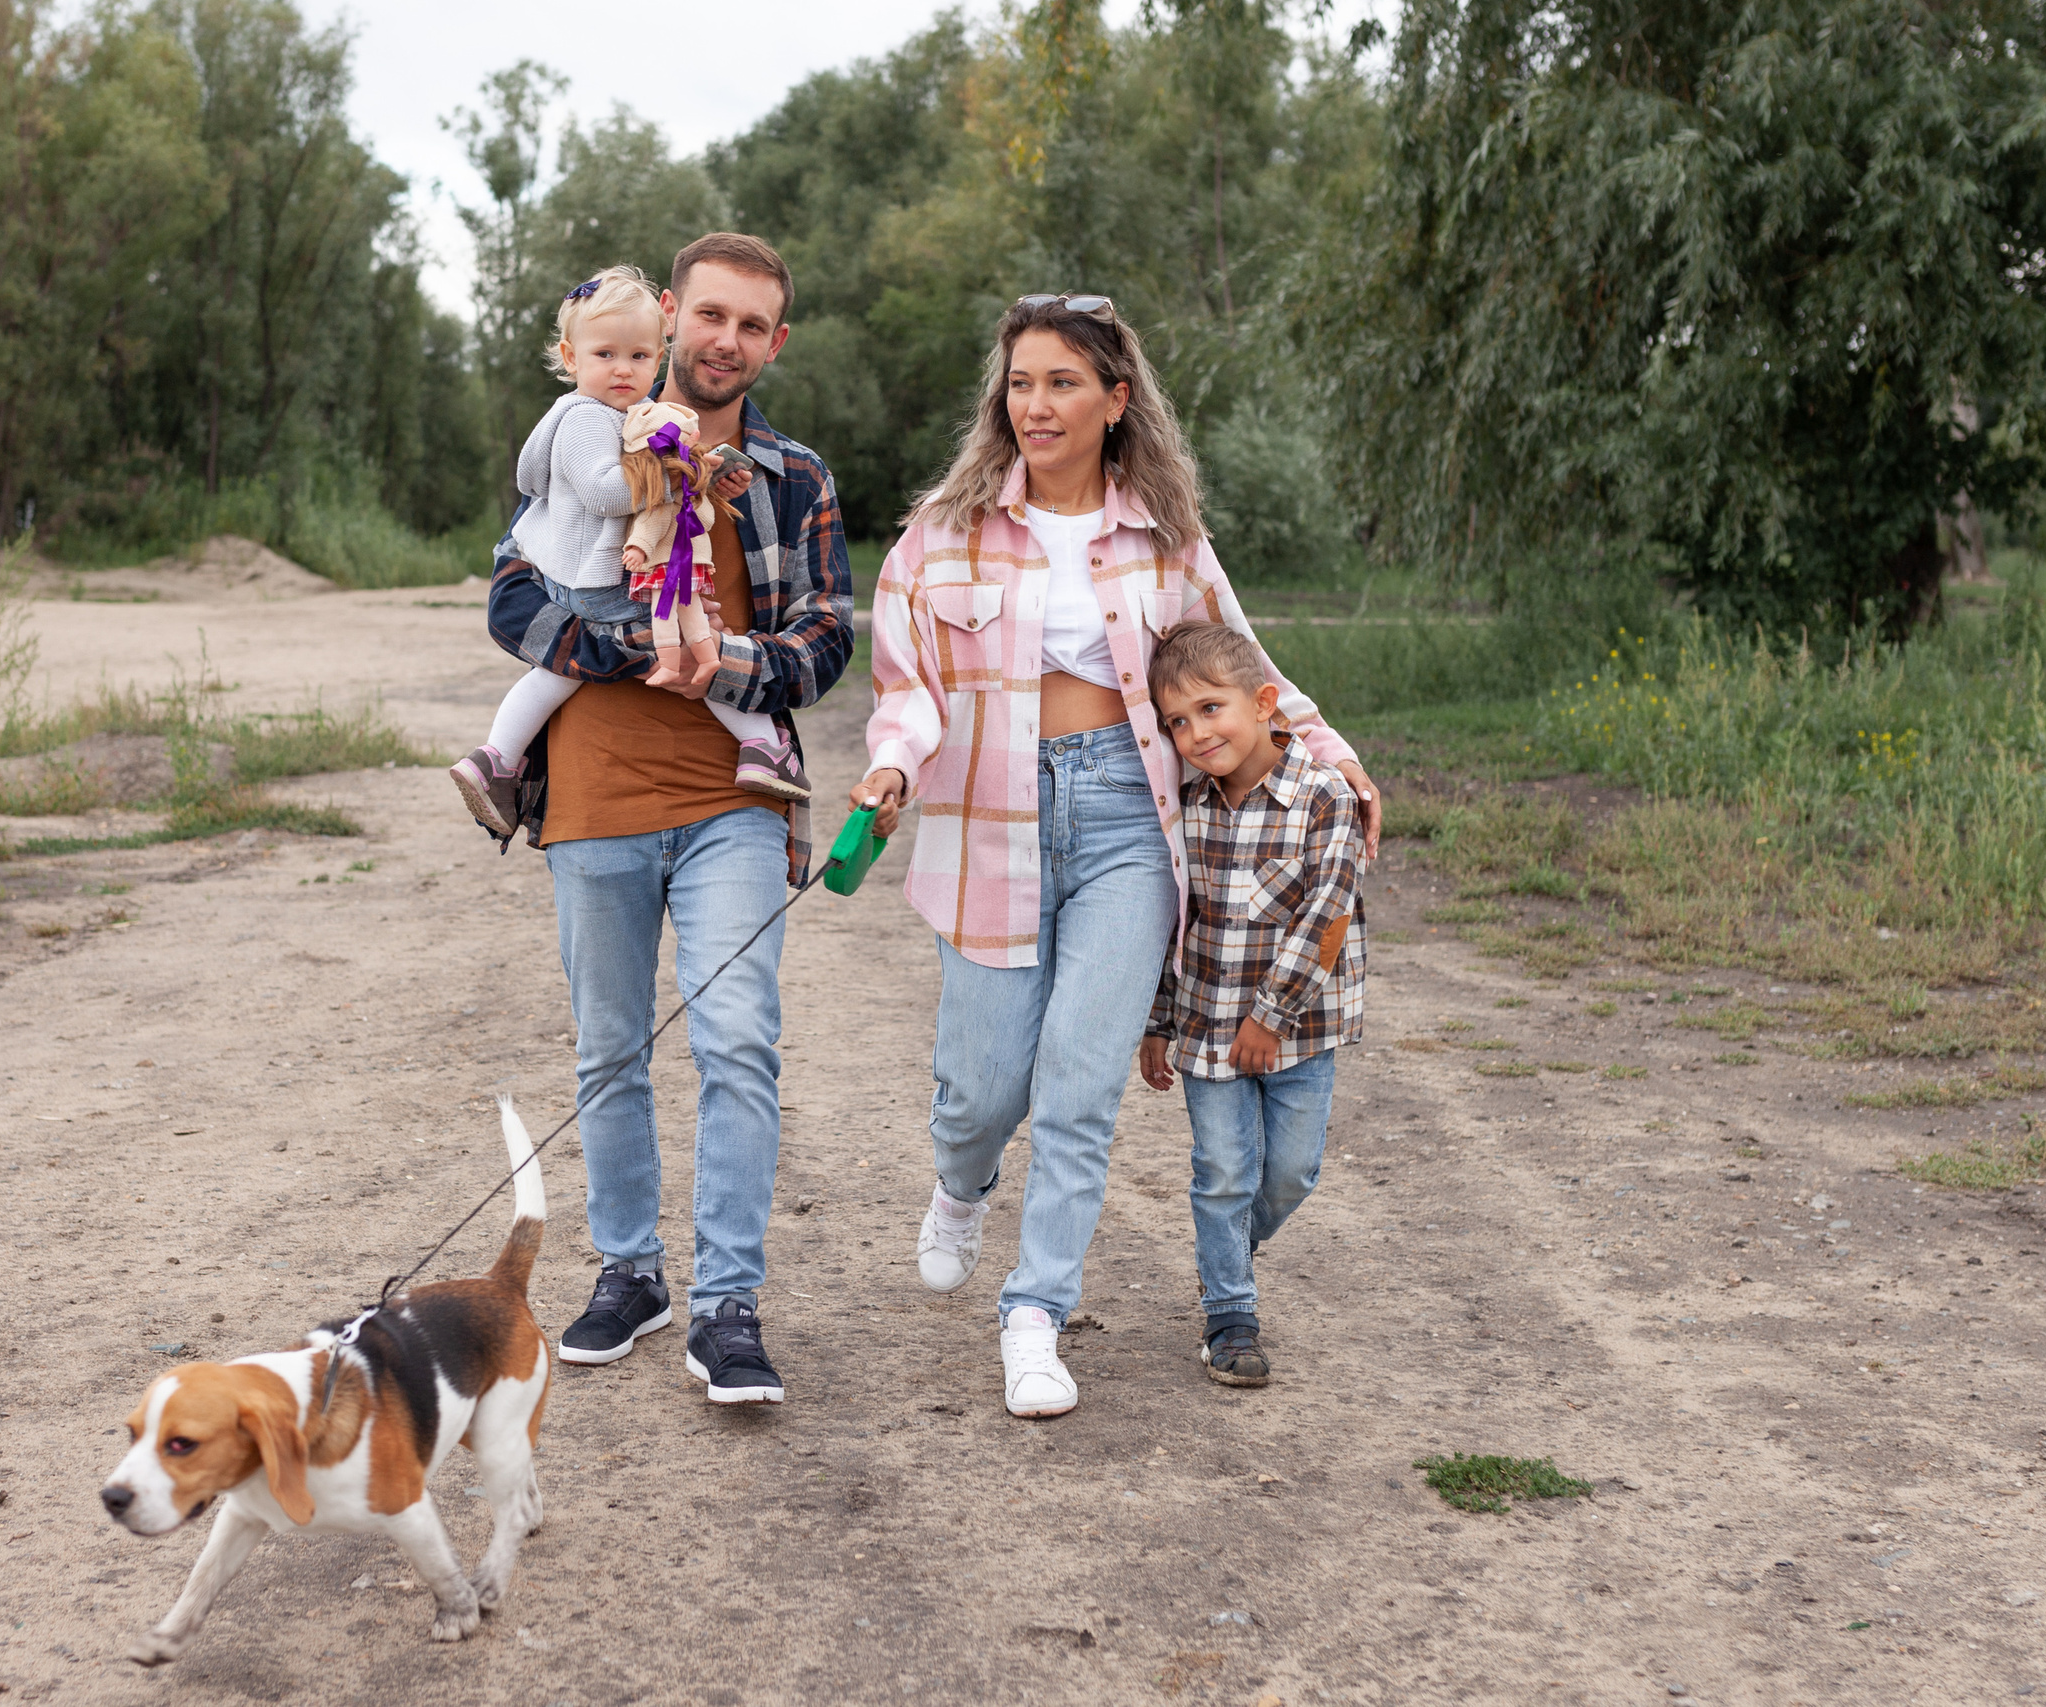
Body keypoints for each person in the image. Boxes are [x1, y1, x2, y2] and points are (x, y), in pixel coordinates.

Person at [851, 292, 1381, 1419]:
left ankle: (1034, 1313)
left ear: (1114, 401)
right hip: (989, 813)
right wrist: (892, 767)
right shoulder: (938, 533)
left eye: (1060, 383)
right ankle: (961, 1181)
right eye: (1020, 382)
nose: (1033, 404)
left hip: (1128, 821)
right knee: (985, 1088)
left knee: (1082, 1084)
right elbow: (908, 692)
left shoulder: (1164, 536)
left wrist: (1331, 755)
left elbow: (1249, 669)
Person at [483, 233, 855, 1405]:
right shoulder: (584, 436)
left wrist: (725, 662)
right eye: (710, 317)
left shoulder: (791, 476)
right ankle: (629, 1272)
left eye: (752, 325)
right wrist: (627, 645)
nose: (724, 341)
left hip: (731, 802)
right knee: (610, 1048)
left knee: (737, 1038)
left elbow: (827, 639)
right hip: (592, 799)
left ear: (773, 343)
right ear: (672, 322)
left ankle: (728, 1302)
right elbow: (510, 595)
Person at [450, 267, 806, 839]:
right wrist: (682, 473)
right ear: (570, 356)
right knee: (695, 643)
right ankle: (764, 743)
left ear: (660, 355)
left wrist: (704, 481)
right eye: (606, 355)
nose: (623, 369)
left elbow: (650, 493)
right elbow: (607, 492)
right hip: (599, 583)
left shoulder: (626, 421)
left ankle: (497, 758)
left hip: (589, 581)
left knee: (555, 675)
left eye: (640, 357)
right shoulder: (586, 418)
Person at [1136, 621, 1366, 1388]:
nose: (1195, 734)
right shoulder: (1185, 807)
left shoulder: (1322, 796)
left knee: (1293, 1173)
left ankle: (1227, 1246)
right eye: (1176, 722)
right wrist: (1157, 1021)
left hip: (1300, 1031)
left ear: (1266, 703)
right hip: (1206, 1026)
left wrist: (1272, 1015)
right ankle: (1229, 1313)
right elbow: (1174, 920)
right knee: (1223, 1172)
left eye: (1209, 709)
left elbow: (1328, 916)